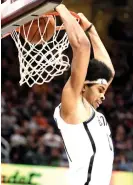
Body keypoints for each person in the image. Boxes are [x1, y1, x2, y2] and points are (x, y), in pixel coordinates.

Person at [54, 4, 115, 185]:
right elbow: (81, 45)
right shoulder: (73, 105)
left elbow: (108, 73)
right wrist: (58, 6)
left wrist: (91, 29)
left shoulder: (87, 108)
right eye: (100, 90)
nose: (104, 96)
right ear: (83, 86)